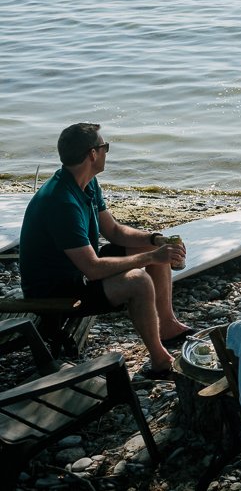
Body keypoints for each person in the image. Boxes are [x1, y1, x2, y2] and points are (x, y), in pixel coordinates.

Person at [19, 123, 190, 378]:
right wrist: (152, 257)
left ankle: (166, 325)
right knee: (138, 281)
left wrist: (155, 240)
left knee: (149, 246)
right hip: (56, 290)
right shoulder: (61, 202)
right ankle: (160, 361)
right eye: (105, 147)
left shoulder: (86, 183)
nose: (107, 152)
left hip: (80, 270)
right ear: (92, 154)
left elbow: (114, 230)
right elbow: (93, 268)